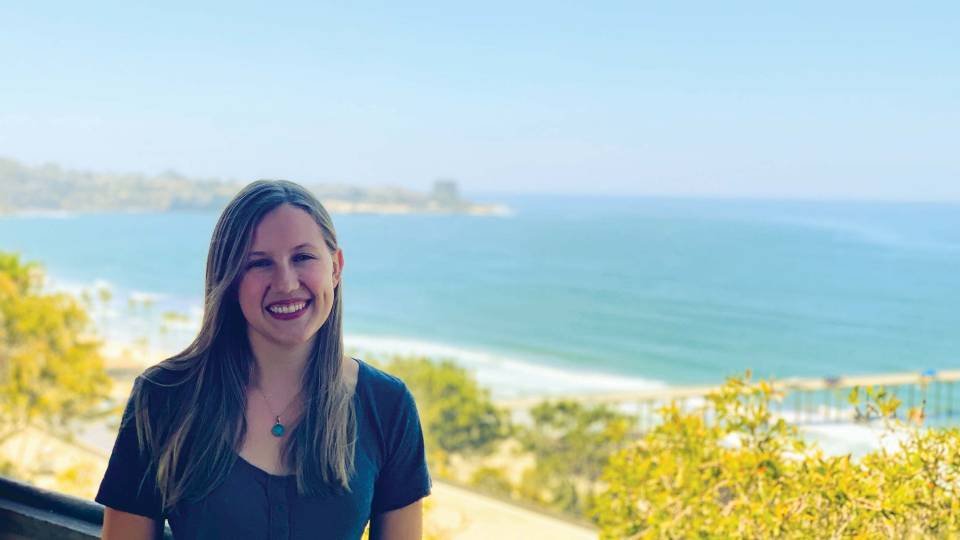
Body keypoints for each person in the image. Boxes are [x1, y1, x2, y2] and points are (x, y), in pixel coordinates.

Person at [97, 180, 431, 539]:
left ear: (336, 267)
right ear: (229, 279)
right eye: (259, 263)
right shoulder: (163, 396)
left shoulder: (387, 405)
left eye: (302, 257)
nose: (286, 283)